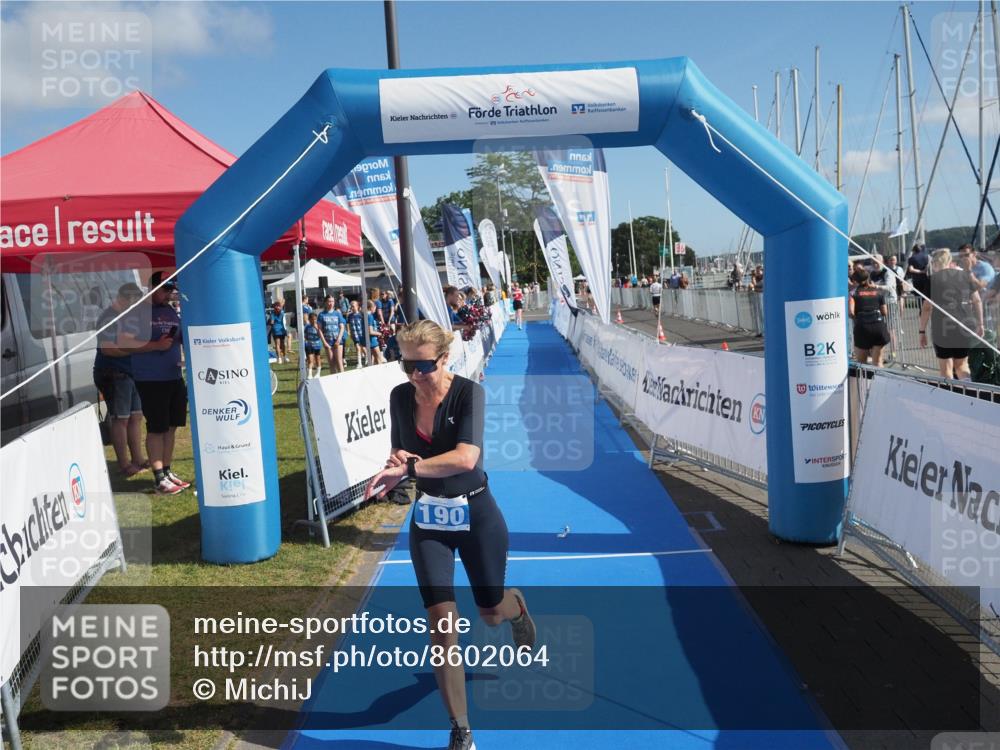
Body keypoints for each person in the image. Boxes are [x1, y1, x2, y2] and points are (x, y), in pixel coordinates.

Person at [364, 320, 536, 750]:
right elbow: (403, 450)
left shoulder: (468, 393)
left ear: (444, 359)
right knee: (442, 626)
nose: (414, 374)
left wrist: (407, 468)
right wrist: (398, 462)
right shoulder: (400, 396)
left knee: (489, 613)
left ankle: (514, 607)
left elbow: (465, 458)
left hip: (477, 515)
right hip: (429, 523)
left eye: (423, 365)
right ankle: (461, 729)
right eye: (406, 364)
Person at [131, 272, 191, 495]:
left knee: (172, 426)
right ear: (152, 287)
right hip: (150, 378)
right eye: (165, 289)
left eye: (171, 289)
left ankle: (167, 470)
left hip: (174, 376)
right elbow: (126, 344)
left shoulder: (170, 310)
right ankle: (158, 478)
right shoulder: (138, 312)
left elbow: (181, 336)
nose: (169, 294)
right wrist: (155, 345)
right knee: (156, 427)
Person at [93, 283, 159, 476]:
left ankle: (138, 459)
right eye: (134, 303)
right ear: (123, 299)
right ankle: (124, 464)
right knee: (120, 419)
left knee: (136, 416)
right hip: (113, 373)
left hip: (131, 372)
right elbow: (107, 349)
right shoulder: (108, 317)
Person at [919, 248, 985, 380]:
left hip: (942, 327)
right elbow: (977, 300)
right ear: (950, 261)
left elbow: (927, 307)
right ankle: (969, 393)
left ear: (935, 263)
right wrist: (981, 323)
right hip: (964, 325)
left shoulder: (933, 279)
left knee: (946, 368)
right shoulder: (965, 276)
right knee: (962, 365)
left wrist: (922, 331)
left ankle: (950, 395)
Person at [849, 268, 891, 367]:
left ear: (855, 281)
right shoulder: (878, 292)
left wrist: (858, 317)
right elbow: (885, 312)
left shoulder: (853, 294)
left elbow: (851, 312)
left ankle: (865, 382)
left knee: (862, 364)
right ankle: (881, 382)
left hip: (862, 328)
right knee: (878, 362)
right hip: (878, 327)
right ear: (868, 278)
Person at [318, 295, 347, 374]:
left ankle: (343, 379)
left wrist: (338, 340)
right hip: (328, 341)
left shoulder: (337, 313)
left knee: (339, 361)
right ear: (325, 302)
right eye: (329, 301)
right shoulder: (321, 315)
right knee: (331, 363)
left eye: (332, 301)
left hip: (337, 341)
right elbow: (319, 329)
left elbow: (342, 327)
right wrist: (324, 343)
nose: (331, 303)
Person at [304, 312, 324, 378]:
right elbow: (305, 335)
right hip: (309, 345)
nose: (314, 321)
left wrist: (316, 328)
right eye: (312, 319)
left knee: (318, 359)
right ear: (309, 320)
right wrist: (306, 340)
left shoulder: (318, 326)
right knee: (310, 359)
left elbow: (320, 335)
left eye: (315, 319)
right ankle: (309, 374)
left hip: (317, 345)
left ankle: (318, 373)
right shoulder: (307, 326)